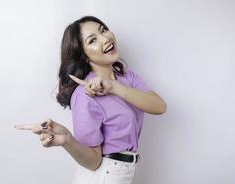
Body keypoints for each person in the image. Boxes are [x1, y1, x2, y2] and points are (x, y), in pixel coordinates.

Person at [15, 16, 167, 184]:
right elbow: (94, 162)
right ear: (84, 56)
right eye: (93, 40)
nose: (105, 39)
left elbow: (159, 107)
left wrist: (113, 87)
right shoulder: (83, 94)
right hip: (104, 176)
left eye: (103, 30)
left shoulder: (126, 77)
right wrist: (67, 139)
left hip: (122, 173)